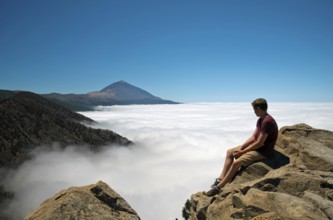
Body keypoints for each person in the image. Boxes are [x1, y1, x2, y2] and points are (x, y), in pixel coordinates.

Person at [205, 98, 278, 197]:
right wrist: (242, 148)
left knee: (237, 163)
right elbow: (253, 137)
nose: (254, 112)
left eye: (255, 110)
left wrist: (242, 153)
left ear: (259, 108)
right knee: (229, 152)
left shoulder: (267, 122)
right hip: (256, 146)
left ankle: (219, 188)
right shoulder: (261, 119)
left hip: (263, 151)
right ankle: (221, 178)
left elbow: (260, 143)